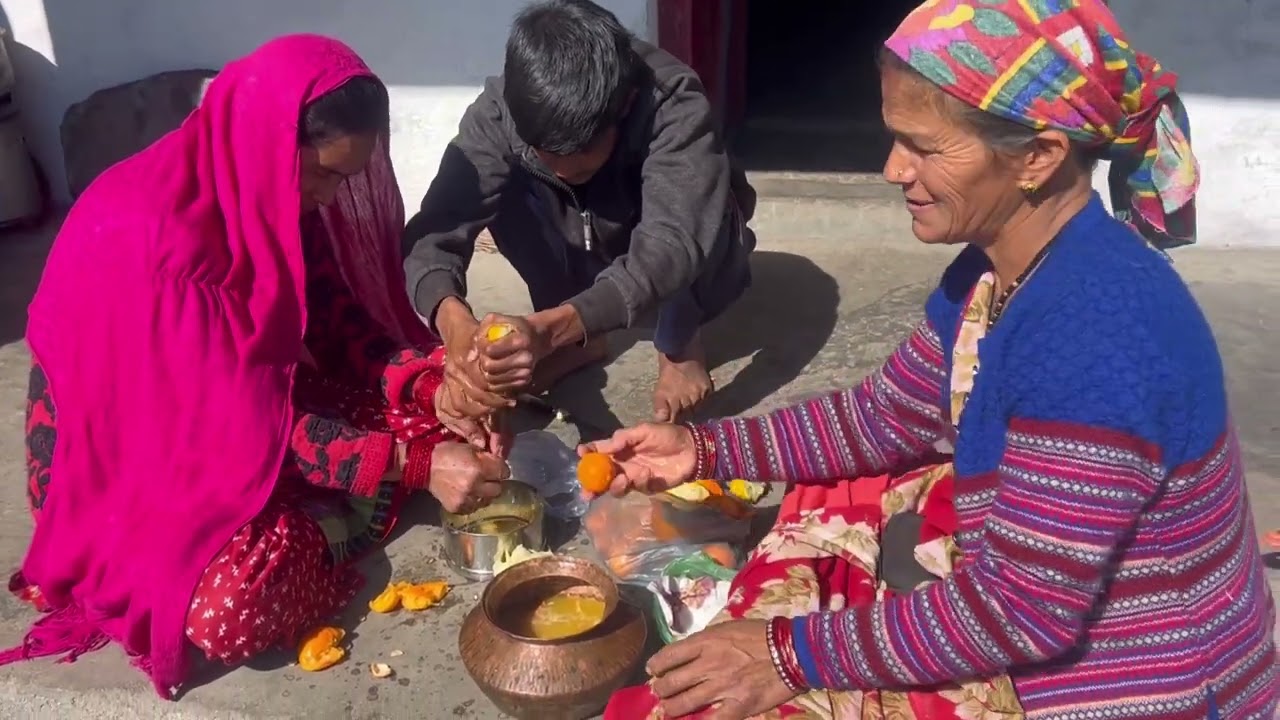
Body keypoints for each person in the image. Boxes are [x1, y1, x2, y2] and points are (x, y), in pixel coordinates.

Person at [594, 2, 1277, 719]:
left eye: (923, 147)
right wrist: (703, 451)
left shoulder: (1098, 334)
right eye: (895, 139)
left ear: (1038, 157)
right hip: (1035, 611)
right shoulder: (993, 269)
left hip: (1128, 684)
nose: (893, 170)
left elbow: (1023, 613)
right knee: (832, 492)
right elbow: (889, 415)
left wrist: (786, 653)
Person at [0, 36, 509, 698]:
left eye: (343, 180)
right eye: (323, 175)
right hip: (124, 470)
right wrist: (413, 465)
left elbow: (337, 322)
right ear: (271, 142)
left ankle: (341, 490)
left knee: (423, 414)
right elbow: (241, 428)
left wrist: (431, 384)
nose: (330, 198)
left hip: (234, 412)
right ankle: (327, 515)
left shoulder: (270, 192)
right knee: (228, 611)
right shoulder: (168, 245)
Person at [402, 0, 756, 425]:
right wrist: (454, 323)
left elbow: (672, 243)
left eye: (581, 158)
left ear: (624, 106)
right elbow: (437, 227)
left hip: (663, 230)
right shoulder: (499, 111)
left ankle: (679, 342)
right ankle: (580, 339)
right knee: (503, 184)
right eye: (545, 153)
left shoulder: (673, 99)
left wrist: (547, 331)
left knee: (700, 209)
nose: (562, 170)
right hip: (585, 233)